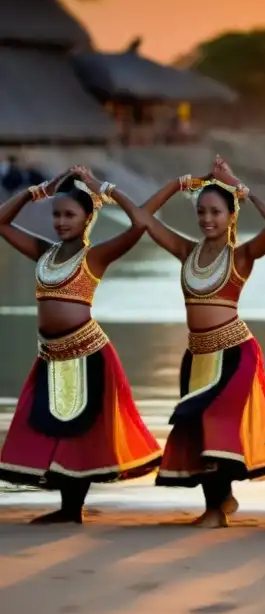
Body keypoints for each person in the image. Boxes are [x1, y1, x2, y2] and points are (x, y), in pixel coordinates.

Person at [0, 166, 161, 523]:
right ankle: (68, 508)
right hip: (50, 356)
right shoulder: (44, 252)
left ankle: (72, 510)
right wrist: (37, 191)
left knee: (80, 433)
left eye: (69, 214)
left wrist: (103, 188)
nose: (60, 221)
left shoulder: (94, 257)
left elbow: (140, 225)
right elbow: (1, 223)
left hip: (88, 353)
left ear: (88, 218)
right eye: (56, 214)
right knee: (46, 426)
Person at [141, 156, 265, 527]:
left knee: (217, 422)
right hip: (197, 355)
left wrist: (241, 187)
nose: (208, 219)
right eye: (202, 212)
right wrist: (182, 182)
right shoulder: (185, 251)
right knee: (196, 426)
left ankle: (214, 512)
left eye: (216, 212)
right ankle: (221, 501)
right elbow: (143, 218)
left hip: (235, 353)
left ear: (231, 216)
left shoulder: (241, 256)